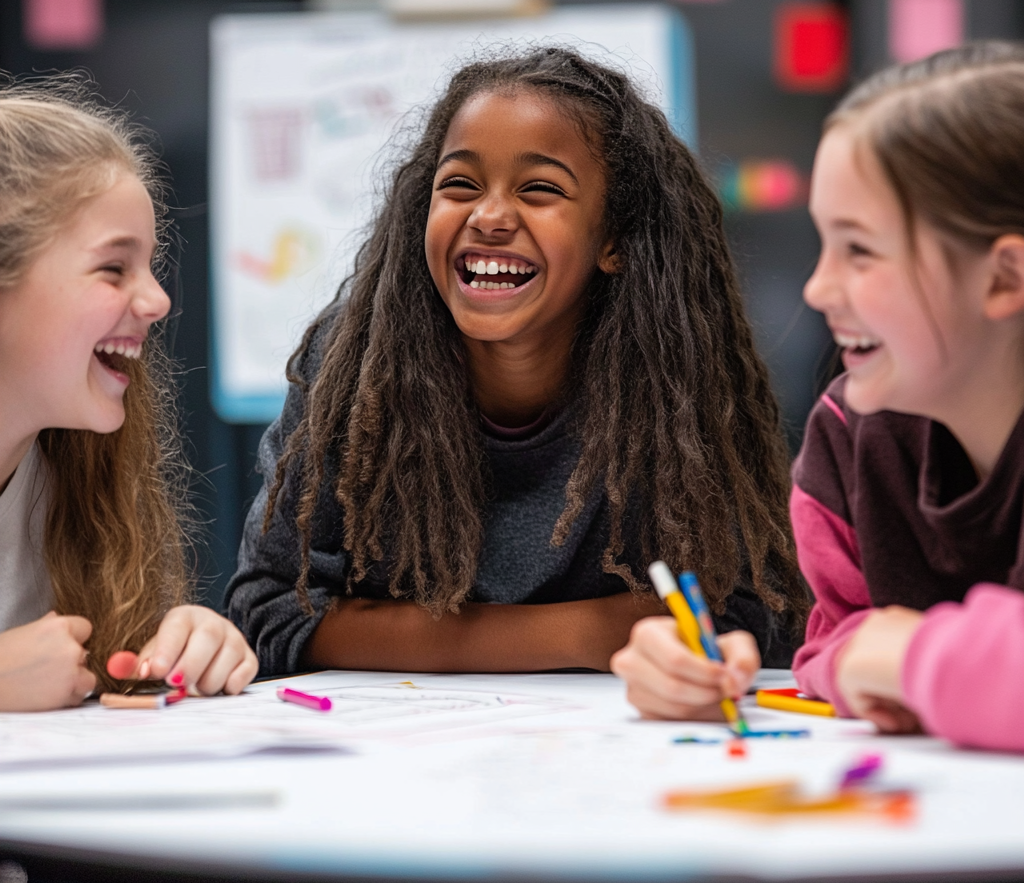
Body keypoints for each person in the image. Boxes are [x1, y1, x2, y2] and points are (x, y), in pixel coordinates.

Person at [227, 48, 807, 680]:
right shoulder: (355, 370)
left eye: (539, 189)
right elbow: (271, 611)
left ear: (613, 239)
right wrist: (592, 632)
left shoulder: (670, 381)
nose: (490, 216)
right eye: (459, 185)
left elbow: (751, 615)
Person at [615, 41, 1024, 752]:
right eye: (822, 244)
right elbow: (834, 649)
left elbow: (882, 656)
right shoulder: (849, 438)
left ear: (1003, 277)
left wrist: (910, 659)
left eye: (859, 250)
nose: (817, 289)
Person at [0, 76, 257, 711]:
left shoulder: (73, 468)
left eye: (150, 265)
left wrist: (182, 648)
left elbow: (93, 673)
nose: (158, 301)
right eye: (114, 267)